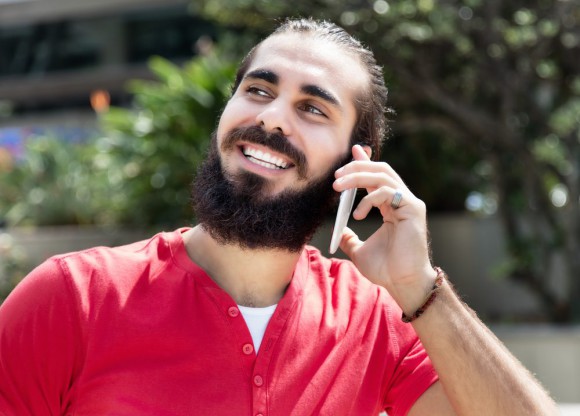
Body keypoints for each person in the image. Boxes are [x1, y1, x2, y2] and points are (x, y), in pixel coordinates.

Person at [0, 18, 558, 416]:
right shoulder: (73, 296)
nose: (270, 118)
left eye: (312, 108)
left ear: (355, 162)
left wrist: (420, 288)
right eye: (258, 89)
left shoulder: (372, 316)